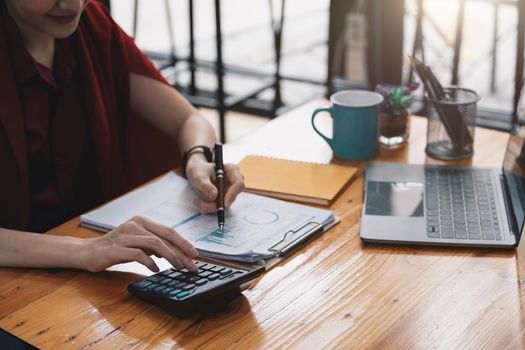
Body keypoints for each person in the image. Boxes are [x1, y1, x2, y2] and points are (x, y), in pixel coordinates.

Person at [0, 0, 244, 272]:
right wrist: (84, 250)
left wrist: (197, 159)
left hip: (95, 268)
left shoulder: (90, 23)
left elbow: (188, 119)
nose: (71, 3)